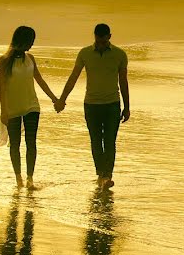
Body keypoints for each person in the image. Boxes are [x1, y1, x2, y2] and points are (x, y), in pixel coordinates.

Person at [55, 23, 129, 190]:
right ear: (94, 37)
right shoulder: (85, 53)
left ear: (109, 37)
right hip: (91, 104)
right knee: (96, 141)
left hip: (112, 104)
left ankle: (107, 176)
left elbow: (123, 82)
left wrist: (127, 106)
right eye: (98, 40)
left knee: (110, 141)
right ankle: (101, 174)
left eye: (103, 41)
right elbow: (73, 76)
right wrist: (62, 99)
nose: (101, 44)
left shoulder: (120, 54)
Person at [0, 25, 59, 189]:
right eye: (30, 41)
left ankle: (30, 179)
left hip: (32, 106)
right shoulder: (4, 61)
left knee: (31, 142)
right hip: (12, 108)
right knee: (15, 144)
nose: (31, 44)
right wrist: (3, 111)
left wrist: (55, 99)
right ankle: (18, 179)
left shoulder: (30, 59)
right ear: (22, 41)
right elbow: (2, 88)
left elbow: (40, 80)